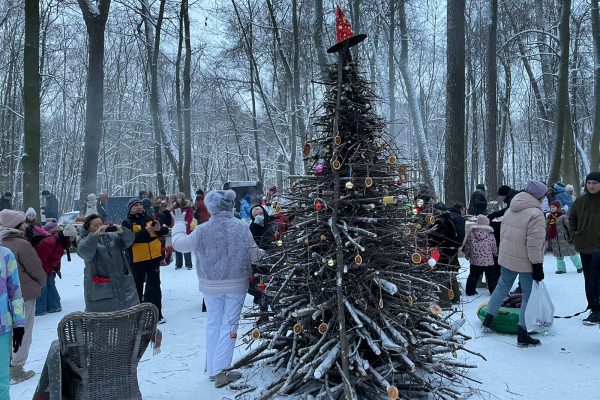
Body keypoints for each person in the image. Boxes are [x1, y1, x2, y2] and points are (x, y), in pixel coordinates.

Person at [171, 190, 265, 388]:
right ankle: (221, 370)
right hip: (236, 283)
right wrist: (271, 252)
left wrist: (179, 223)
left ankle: (213, 366)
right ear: (230, 206)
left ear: (211, 207)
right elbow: (255, 255)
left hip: (210, 285)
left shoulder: (203, 229)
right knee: (229, 325)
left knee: (213, 323)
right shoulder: (241, 227)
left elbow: (180, 244)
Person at [482, 180, 547, 347]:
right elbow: (534, 243)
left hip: (508, 257)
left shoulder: (512, 207)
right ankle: (523, 332)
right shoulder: (536, 214)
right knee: (528, 296)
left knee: (502, 287)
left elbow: (503, 232)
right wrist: (538, 265)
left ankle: (488, 320)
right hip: (526, 261)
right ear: (540, 196)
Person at [0, 209, 46, 382]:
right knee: (22, 330)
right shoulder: (22, 244)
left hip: (3, 297)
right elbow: (37, 270)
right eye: (23, 222)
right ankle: (17, 368)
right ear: (15, 225)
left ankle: (5, 365)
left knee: (6, 331)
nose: (26, 224)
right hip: (23, 296)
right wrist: (40, 284)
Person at [77, 214, 139, 312]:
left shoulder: (113, 236)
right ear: (88, 229)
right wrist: (95, 236)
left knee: (128, 315)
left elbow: (129, 241)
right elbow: (84, 253)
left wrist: (123, 232)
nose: (100, 227)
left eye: (101, 224)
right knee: (104, 319)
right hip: (102, 289)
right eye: (96, 225)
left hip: (123, 284)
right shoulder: (85, 241)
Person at [121, 198, 168, 323]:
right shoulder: (126, 222)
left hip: (153, 258)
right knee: (137, 287)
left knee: (154, 286)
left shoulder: (150, 218)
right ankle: (137, 315)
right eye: (135, 205)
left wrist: (158, 230)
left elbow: (164, 231)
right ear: (130, 208)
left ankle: (157, 314)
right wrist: (145, 232)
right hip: (137, 260)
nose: (139, 207)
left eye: (140, 205)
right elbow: (127, 241)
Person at [569, 171, 600, 325]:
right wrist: (575, 234)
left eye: (595, 183)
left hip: (599, 248)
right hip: (585, 246)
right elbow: (572, 218)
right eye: (589, 183)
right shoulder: (580, 201)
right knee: (589, 279)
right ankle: (594, 309)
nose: (591, 186)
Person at [33, 222, 77, 316]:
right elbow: (42, 258)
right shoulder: (51, 242)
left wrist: (56, 269)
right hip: (42, 269)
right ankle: (40, 309)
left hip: (49, 269)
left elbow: (56, 258)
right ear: (67, 236)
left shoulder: (61, 242)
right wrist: (46, 271)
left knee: (50, 285)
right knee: (43, 288)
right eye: (72, 237)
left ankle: (53, 306)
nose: (73, 239)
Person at [0, 243, 26, 399]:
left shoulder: (5, 254)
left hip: (2, 328)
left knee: (1, 381)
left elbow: (15, 291)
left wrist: (19, 324)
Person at [462, 215, 499, 295]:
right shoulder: (490, 234)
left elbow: (468, 245)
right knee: (491, 276)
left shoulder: (472, 233)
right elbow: (493, 246)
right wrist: (495, 254)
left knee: (473, 275)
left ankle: (470, 291)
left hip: (475, 259)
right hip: (488, 260)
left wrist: (467, 254)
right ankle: (493, 291)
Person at [546, 200, 582, 274]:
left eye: (554, 207)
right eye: (551, 207)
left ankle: (580, 266)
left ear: (558, 207)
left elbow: (569, 227)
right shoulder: (549, 217)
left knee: (572, 254)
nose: (552, 208)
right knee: (558, 256)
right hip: (555, 239)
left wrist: (572, 235)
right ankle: (561, 269)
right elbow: (546, 227)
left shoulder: (563, 216)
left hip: (565, 239)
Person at [173, 193, 193, 270]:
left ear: (183, 198)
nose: (178, 199)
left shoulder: (188, 207)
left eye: (180, 198)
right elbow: (173, 217)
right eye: (177, 198)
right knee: (177, 245)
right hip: (177, 228)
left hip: (185, 229)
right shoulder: (175, 207)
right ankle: (178, 264)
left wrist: (186, 222)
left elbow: (190, 217)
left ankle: (188, 264)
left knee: (186, 245)